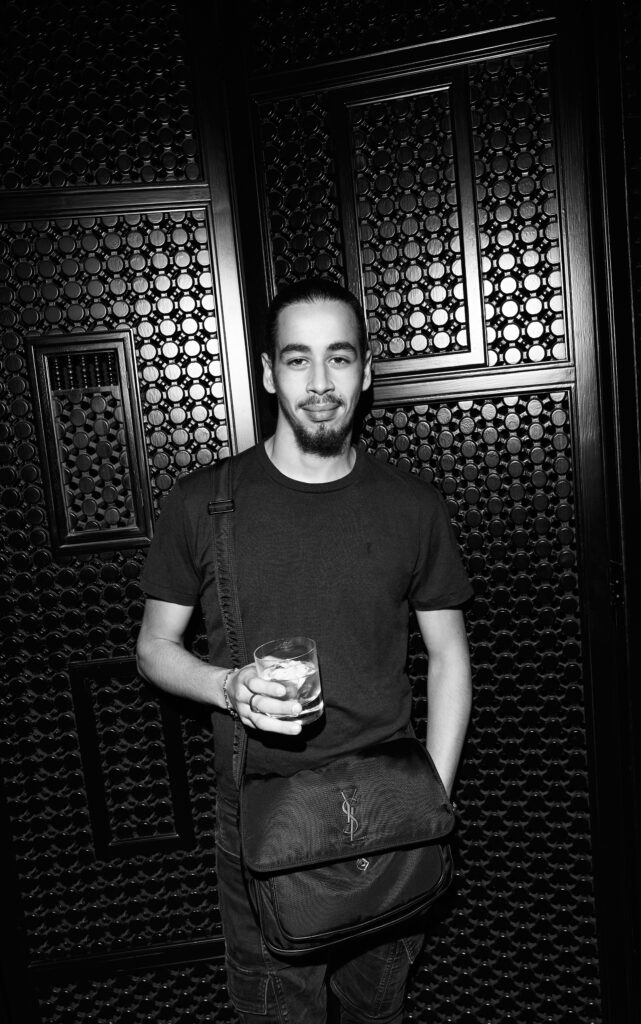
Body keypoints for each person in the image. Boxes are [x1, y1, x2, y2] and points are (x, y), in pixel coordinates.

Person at [136, 278, 473, 1024]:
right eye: (297, 360)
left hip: (391, 809)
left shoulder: (413, 507)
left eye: (339, 358)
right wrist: (229, 688)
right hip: (263, 809)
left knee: (376, 1009)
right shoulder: (202, 504)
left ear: (366, 371)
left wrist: (436, 792)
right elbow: (154, 648)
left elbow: (449, 655)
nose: (320, 383)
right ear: (267, 373)